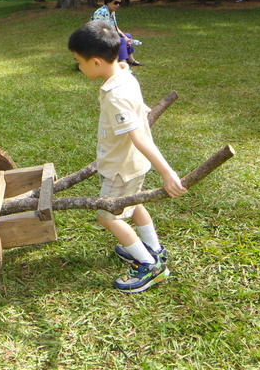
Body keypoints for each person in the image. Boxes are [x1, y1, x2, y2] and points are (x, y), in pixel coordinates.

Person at [67, 20, 187, 293]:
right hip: (135, 165)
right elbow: (124, 72)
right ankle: (154, 248)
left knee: (108, 215)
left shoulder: (115, 96)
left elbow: (139, 137)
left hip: (120, 167)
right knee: (134, 204)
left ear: (96, 62)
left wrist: (168, 173)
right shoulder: (124, 74)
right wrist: (143, 108)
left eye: (79, 61)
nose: (78, 66)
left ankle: (149, 265)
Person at [91, 0, 143, 66]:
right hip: (98, 38)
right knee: (121, 41)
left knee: (127, 36)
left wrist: (126, 37)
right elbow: (103, 31)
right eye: (115, 3)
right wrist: (121, 38)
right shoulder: (102, 12)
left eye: (119, 3)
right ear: (108, 1)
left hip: (107, 35)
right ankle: (123, 64)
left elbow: (116, 28)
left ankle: (130, 59)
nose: (118, 5)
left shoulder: (111, 12)